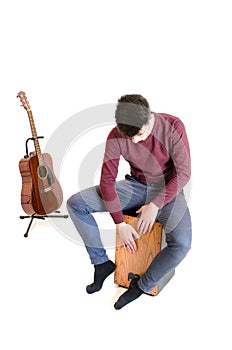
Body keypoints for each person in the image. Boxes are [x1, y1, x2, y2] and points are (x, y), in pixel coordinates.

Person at [67, 94, 192, 310]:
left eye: (139, 134)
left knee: (182, 244)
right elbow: (106, 180)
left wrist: (155, 205)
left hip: (167, 188)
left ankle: (142, 285)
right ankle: (101, 263)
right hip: (136, 186)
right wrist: (119, 223)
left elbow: (184, 173)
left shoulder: (173, 125)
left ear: (149, 118)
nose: (134, 140)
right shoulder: (116, 134)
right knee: (76, 204)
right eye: (129, 136)